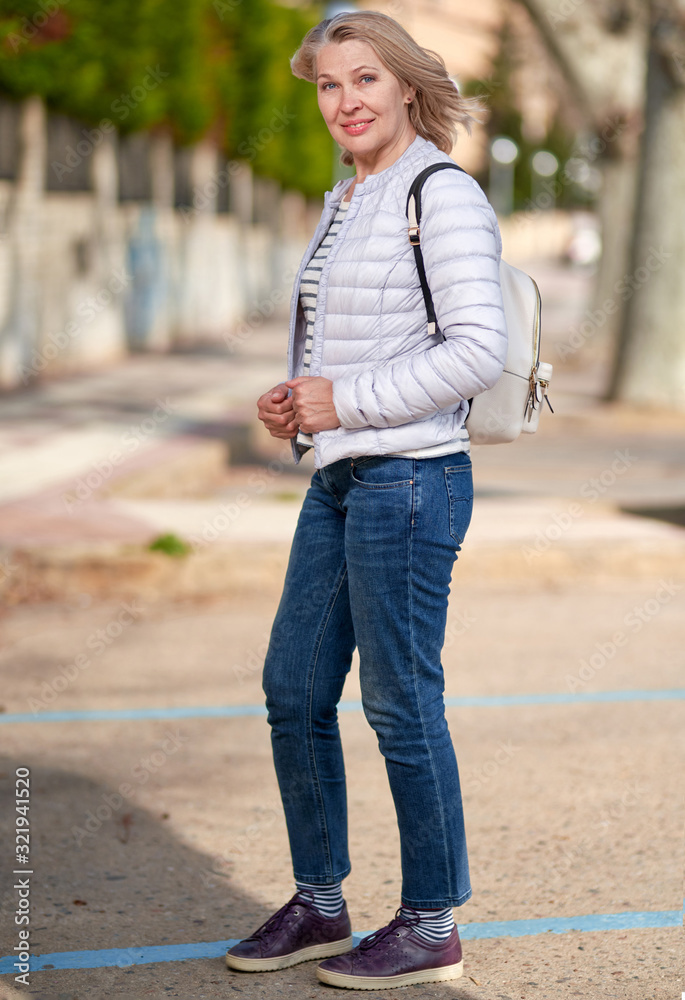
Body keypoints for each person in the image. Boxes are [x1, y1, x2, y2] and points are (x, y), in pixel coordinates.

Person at [225, 10, 507, 991]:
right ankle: (320, 900)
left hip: (415, 481)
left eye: (365, 81)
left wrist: (340, 400)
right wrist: (297, 404)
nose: (344, 101)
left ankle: (430, 922)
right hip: (341, 476)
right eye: (327, 85)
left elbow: (479, 350)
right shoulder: (346, 198)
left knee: (397, 702)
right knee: (294, 689)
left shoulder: (444, 193)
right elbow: (349, 336)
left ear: (406, 88)